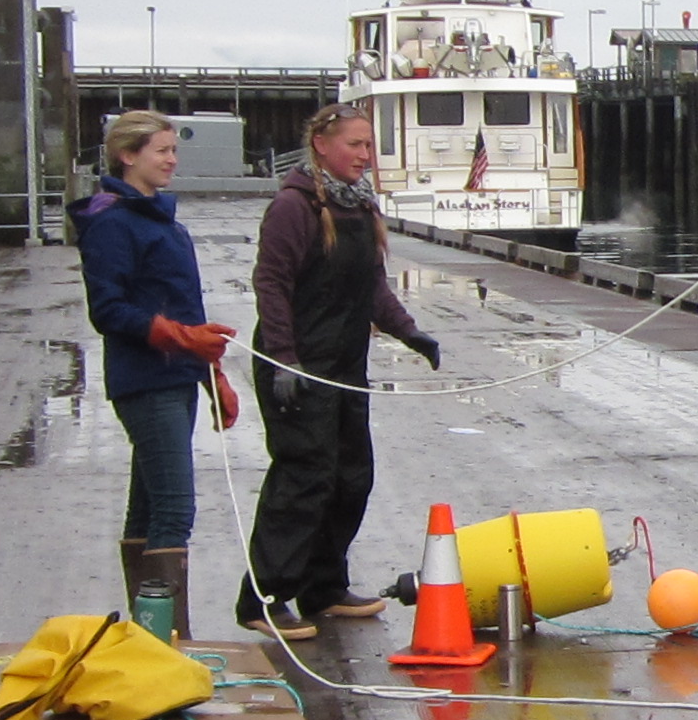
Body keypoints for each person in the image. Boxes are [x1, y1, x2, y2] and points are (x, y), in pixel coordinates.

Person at [241, 102, 438, 637]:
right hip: (299, 368)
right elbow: (272, 285)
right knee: (304, 479)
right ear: (322, 145)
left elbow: (372, 286)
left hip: (346, 367)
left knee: (352, 477)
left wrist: (410, 331)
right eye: (355, 145)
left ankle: (323, 586)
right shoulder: (293, 206)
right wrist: (283, 360)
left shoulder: (360, 207)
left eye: (369, 146)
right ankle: (266, 597)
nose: (365, 156)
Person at [75, 112, 240, 637]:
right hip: (146, 382)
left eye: (173, 150)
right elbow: (108, 310)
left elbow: (186, 306)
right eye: (161, 150)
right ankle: (171, 638)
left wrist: (211, 372)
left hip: (176, 377)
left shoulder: (162, 221)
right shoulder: (112, 222)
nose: (172, 160)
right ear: (128, 155)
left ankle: (151, 631)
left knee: (147, 506)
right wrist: (176, 336)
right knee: (174, 507)